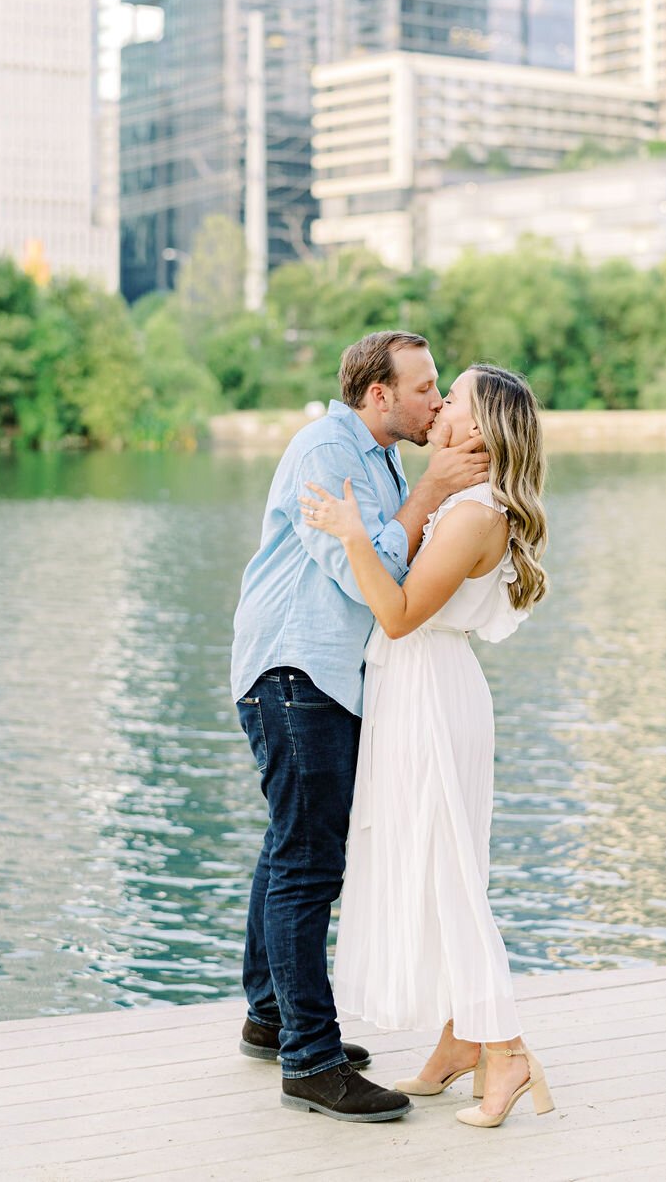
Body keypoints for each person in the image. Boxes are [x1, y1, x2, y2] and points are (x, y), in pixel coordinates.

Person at [230, 331, 489, 1123]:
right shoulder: (324, 450)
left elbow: (398, 567)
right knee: (310, 861)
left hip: (324, 674)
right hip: (295, 669)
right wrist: (429, 495)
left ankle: (272, 1016)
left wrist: (426, 496)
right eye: (425, 389)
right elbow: (364, 567)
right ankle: (310, 1058)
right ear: (379, 395)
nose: (438, 402)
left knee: (290, 844)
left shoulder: (381, 460)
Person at [299, 362, 555, 1130]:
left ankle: (505, 1050)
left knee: (449, 874)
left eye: (455, 400)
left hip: (432, 694)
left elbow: (401, 612)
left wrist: (352, 537)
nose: (440, 406)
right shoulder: (466, 503)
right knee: (439, 864)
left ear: (476, 430)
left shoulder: (476, 514)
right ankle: (457, 1041)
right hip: (421, 691)